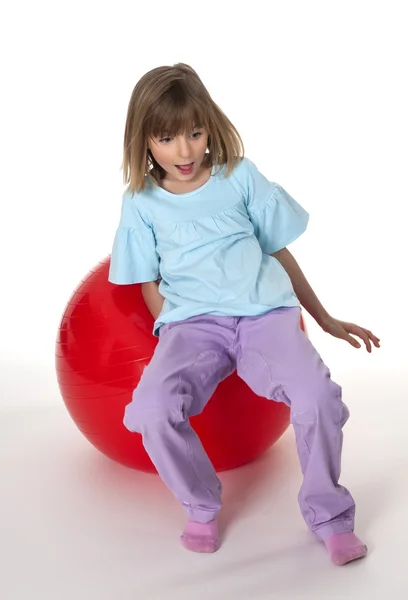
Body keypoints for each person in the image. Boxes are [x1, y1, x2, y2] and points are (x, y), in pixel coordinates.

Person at [108, 63, 380, 565]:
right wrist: (172, 336)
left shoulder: (239, 177)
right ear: (144, 139)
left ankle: (330, 515)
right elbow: (147, 281)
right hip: (192, 326)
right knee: (151, 409)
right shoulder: (141, 201)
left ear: (211, 125)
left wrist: (324, 318)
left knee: (317, 397)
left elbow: (277, 251)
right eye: (167, 138)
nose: (184, 151)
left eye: (194, 133)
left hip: (264, 317)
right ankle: (200, 505)